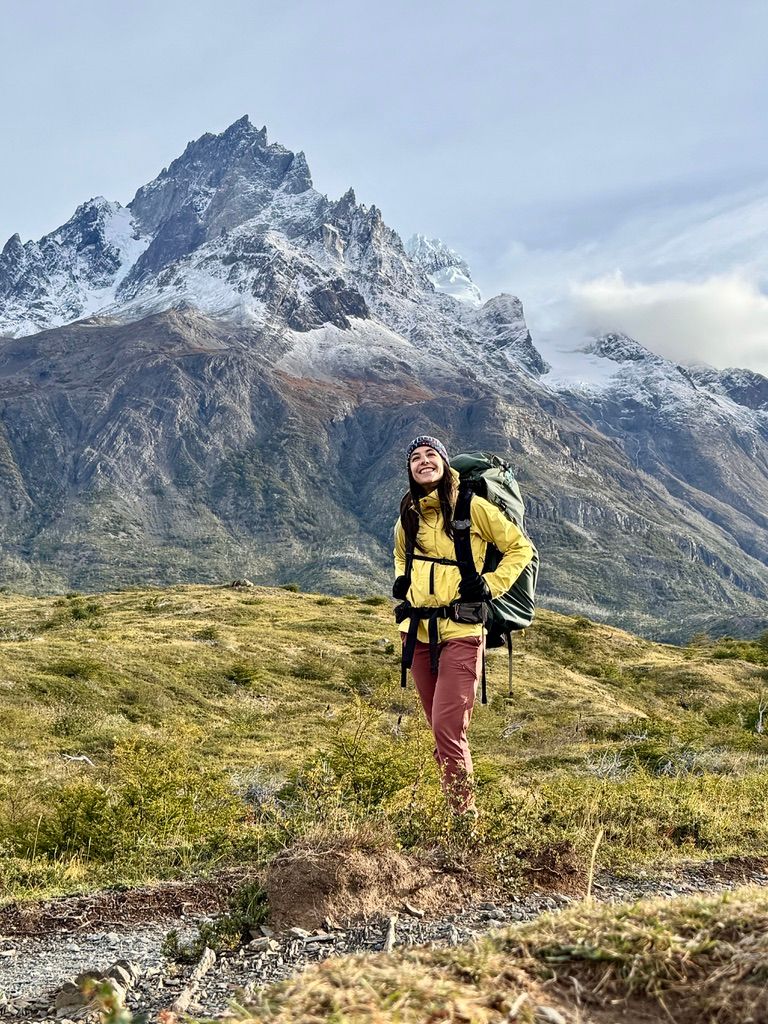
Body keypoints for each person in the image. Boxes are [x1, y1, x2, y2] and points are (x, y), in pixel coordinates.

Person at [393, 435, 533, 814]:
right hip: (418, 635)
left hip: (463, 632)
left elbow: (521, 548)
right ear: (409, 469)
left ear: (443, 461)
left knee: (447, 729)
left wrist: (491, 584)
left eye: (431, 454)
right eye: (416, 457)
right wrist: (403, 585)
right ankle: (453, 812)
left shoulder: (473, 507)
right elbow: (401, 555)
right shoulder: (408, 512)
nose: (424, 461)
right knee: (440, 734)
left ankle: (464, 820)